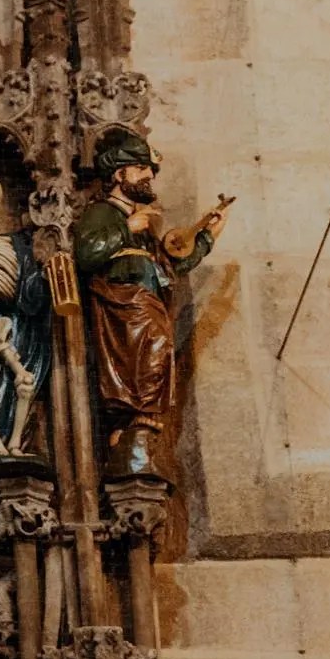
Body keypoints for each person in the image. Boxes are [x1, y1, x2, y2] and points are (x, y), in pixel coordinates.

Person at [74, 131, 228, 475]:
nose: (149, 176)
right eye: (141, 168)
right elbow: (86, 254)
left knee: (156, 356)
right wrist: (127, 226)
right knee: (149, 354)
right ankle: (130, 427)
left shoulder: (144, 224)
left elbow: (167, 266)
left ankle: (137, 428)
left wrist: (205, 238)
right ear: (119, 175)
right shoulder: (101, 213)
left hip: (147, 304)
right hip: (123, 306)